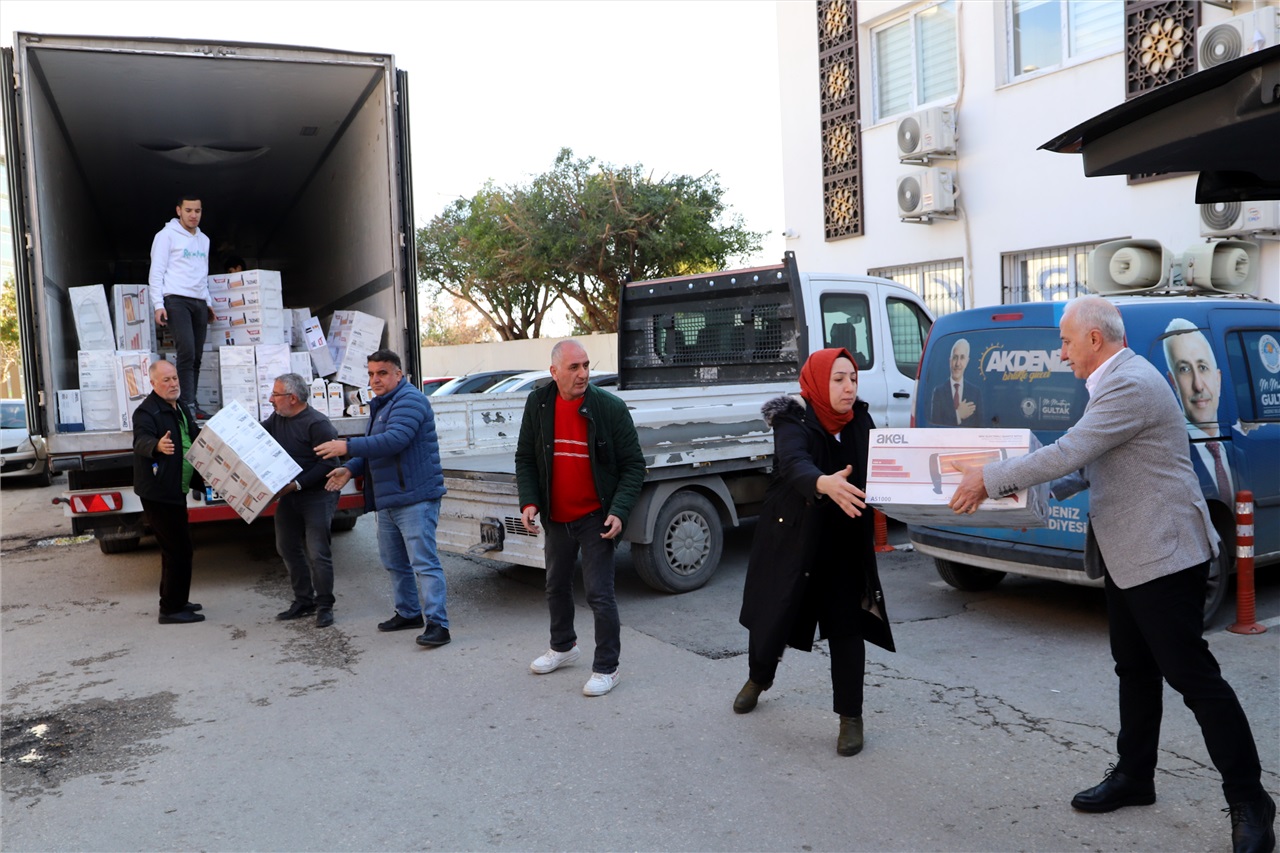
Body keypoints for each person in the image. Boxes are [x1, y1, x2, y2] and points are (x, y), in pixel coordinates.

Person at [949, 296, 1274, 853]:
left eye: (1065, 341)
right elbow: (1089, 461)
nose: (1061, 353)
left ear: (1094, 339)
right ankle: (1135, 776)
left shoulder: (1130, 384)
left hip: (1164, 554)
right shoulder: (1112, 382)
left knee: (1195, 680)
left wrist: (990, 479)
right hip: (1128, 553)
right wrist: (1030, 499)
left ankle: (1251, 802)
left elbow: (1070, 448)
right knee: (1135, 670)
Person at [735, 347, 895, 756]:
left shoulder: (860, 420)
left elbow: (886, 467)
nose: (848, 387)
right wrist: (824, 482)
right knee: (772, 618)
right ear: (819, 381)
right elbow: (792, 462)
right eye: (838, 379)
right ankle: (759, 676)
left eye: (853, 378)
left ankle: (851, 718)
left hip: (844, 544)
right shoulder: (793, 418)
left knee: (847, 628)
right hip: (792, 540)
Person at [515, 339, 645, 698]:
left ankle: (607, 668)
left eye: (586, 365)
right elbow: (526, 457)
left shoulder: (609, 408)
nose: (583, 373)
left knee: (600, 595)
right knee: (555, 586)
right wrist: (529, 502)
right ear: (554, 371)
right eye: (574, 367)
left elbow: (634, 466)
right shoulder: (538, 403)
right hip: (557, 516)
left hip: (595, 517)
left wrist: (619, 510)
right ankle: (563, 647)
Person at [317, 349, 450, 647]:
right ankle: (408, 613)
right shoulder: (382, 404)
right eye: (371, 374)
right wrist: (350, 469)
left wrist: (346, 447)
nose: (375, 380)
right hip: (391, 498)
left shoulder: (410, 400)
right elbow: (374, 448)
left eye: (382, 373)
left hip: (415, 497)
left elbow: (394, 441)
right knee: (394, 561)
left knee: (424, 563)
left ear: (398, 374)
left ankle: (438, 625)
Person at [263, 373, 341, 628]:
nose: (271, 399)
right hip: (291, 495)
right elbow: (258, 435)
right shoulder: (278, 418)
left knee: (318, 552)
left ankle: (325, 605)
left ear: (293, 398)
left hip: (318, 495)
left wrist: (297, 484)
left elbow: (329, 464)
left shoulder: (317, 425)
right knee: (286, 546)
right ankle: (304, 600)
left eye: (275, 394)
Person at [132, 359, 205, 625]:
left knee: (177, 548)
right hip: (159, 492)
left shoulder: (179, 406)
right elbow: (140, 440)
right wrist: (157, 446)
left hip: (176, 488)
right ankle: (171, 609)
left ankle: (177, 600)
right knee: (178, 550)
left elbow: (193, 435)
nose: (173, 384)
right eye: (166, 380)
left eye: (175, 378)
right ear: (153, 383)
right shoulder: (146, 412)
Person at [149, 194, 213, 417]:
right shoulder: (166, 236)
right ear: (179, 211)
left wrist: (208, 302)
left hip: (199, 301)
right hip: (176, 299)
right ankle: (185, 406)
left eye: (197, 211)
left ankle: (191, 403)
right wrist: (158, 304)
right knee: (186, 351)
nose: (193, 215)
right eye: (188, 210)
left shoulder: (204, 240)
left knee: (197, 355)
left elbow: (203, 273)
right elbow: (156, 272)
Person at [1163, 318, 1234, 502]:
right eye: (1184, 369)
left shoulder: (1242, 455)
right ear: (1173, 383)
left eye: (1203, 367)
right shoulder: (1171, 459)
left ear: (1218, 380)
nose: (1198, 385)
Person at [930, 337, 984, 426]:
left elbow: (981, 427)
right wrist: (958, 415)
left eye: (962, 358)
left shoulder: (975, 393)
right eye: (955, 357)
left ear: (967, 361)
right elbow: (935, 427)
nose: (958, 363)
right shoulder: (938, 393)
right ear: (950, 361)